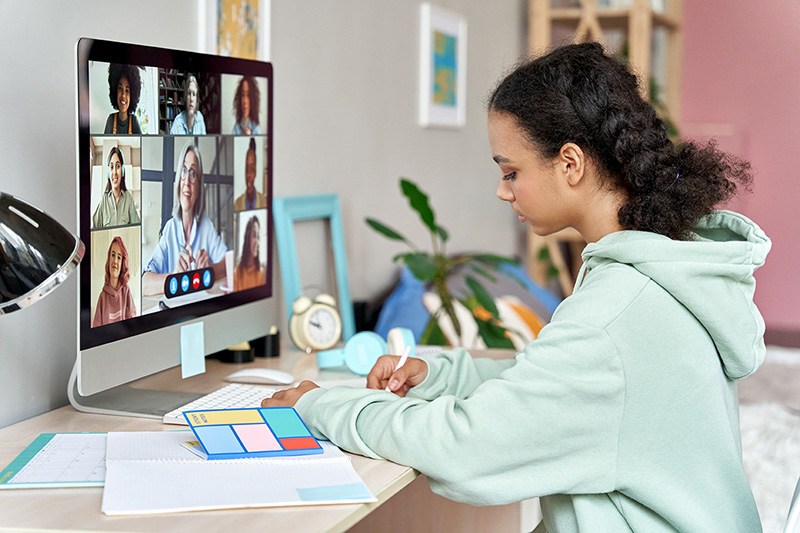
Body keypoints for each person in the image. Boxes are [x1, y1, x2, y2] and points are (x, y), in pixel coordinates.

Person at [261, 43, 771, 532]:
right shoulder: (656, 267)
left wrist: (318, 405)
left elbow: (465, 451)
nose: (502, 191)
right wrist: (441, 375)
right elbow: (559, 381)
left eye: (511, 172)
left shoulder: (615, 317)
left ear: (570, 164)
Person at [142, 143, 226, 295]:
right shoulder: (170, 229)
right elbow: (144, 283)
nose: (187, 181)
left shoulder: (206, 226)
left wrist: (209, 270)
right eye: (183, 171)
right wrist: (174, 278)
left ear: (199, 185)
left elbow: (228, 261)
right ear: (178, 180)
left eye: (193, 173)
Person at [92, 236, 137, 326]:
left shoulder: (126, 292)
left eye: (119, 257)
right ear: (109, 259)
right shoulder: (102, 297)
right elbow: (96, 330)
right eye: (113, 255)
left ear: (122, 264)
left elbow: (133, 324)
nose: (115, 261)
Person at [92, 147, 140, 228]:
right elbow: (94, 231)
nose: (114, 172)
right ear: (108, 172)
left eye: (118, 166)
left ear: (123, 170)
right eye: (111, 167)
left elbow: (136, 229)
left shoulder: (128, 198)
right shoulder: (104, 199)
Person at [104, 64, 142, 135]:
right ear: (115, 91)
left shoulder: (134, 120)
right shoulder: (111, 119)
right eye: (120, 88)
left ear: (132, 96)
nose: (123, 95)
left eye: (127, 90)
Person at [233, 215, 265, 291]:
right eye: (254, 236)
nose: (257, 241)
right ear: (247, 239)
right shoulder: (237, 272)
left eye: (258, 237)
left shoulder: (260, 273)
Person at [234, 138, 266, 210]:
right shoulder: (237, 205)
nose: (248, 175)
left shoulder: (265, 203)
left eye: (252, 169)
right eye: (246, 169)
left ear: (255, 173)